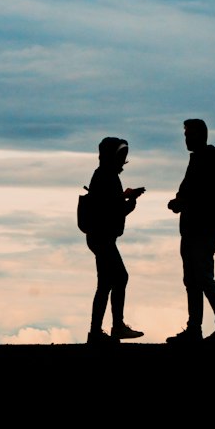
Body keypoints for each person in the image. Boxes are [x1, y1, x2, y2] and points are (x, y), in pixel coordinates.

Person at [165, 118, 215, 346]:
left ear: (202, 135)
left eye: (190, 134)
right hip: (192, 229)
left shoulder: (209, 160)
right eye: (185, 135)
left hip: (202, 230)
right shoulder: (199, 160)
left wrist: (184, 203)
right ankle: (195, 328)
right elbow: (194, 194)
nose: (187, 139)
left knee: (203, 277)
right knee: (193, 280)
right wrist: (180, 202)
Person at [85, 135, 145, 346]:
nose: (123, 161)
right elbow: (111, 209)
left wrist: (127, 200)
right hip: (103, 237)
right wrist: (127, 200)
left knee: (107, 282)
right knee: (118, 278)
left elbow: (111, 208)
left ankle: (97, 332)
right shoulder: (106, 176)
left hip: (99, 236)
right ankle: (113, 327)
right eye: (121, 156)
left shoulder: (103, 175)